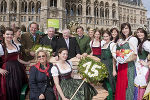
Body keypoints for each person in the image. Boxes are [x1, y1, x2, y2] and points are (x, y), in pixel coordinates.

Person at [0, 27, 29, 100]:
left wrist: (27, 62)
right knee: (10, 89)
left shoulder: (15, 45)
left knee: (18, 88)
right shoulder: (1, 46)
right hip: (8, 71)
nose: (9, 36)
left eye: (11, 34)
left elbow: (18, 59)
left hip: (18, 70)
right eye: (7, 34)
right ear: (3, 35)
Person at [113, 23, 138, 100]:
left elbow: (134, 55)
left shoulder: (133, 39)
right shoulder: (121, 40)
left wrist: (123, 59)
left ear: (130, 29)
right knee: (121, 85)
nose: (124, 30)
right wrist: (119, 57)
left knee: (128, 85)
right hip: (121, 65)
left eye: (126, 28)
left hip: (128, 66)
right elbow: (116, 53)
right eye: (123, 29)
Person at [134, 28, 150, 100]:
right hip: (139, 66)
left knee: (141, 84)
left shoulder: (146, 43)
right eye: (138, 32)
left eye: (141, 32)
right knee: (138, 85)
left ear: (144, 33)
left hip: (143, 68)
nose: (139, 34)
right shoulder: (140, 42)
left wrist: (147, 63)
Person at [101, 30, 116, 99]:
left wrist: (114, 70)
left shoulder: (112, 44)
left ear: (110, 36)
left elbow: (114, 58)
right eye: (104, 36)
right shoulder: (103, 44)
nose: (105, 38)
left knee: (111, 83)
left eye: (107, 36)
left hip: (109, 66)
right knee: (105, 84)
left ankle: (111, 98)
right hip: (103, 66)